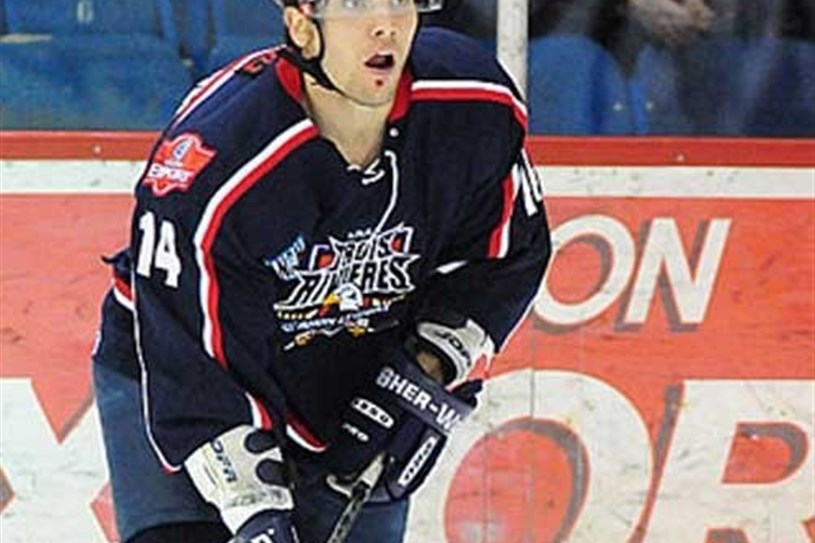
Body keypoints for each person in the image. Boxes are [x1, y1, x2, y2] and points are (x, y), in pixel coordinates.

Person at [91, 0, 551, 541]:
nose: (384, 24)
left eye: (399, 2)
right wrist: (256, 511)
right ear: (301, 27)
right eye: (356, 4)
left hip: (356, 385)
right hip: (180, 374)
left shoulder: (472, 106)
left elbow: (504, 258)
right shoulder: (220, 163)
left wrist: (419, 374)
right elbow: (190, 357)